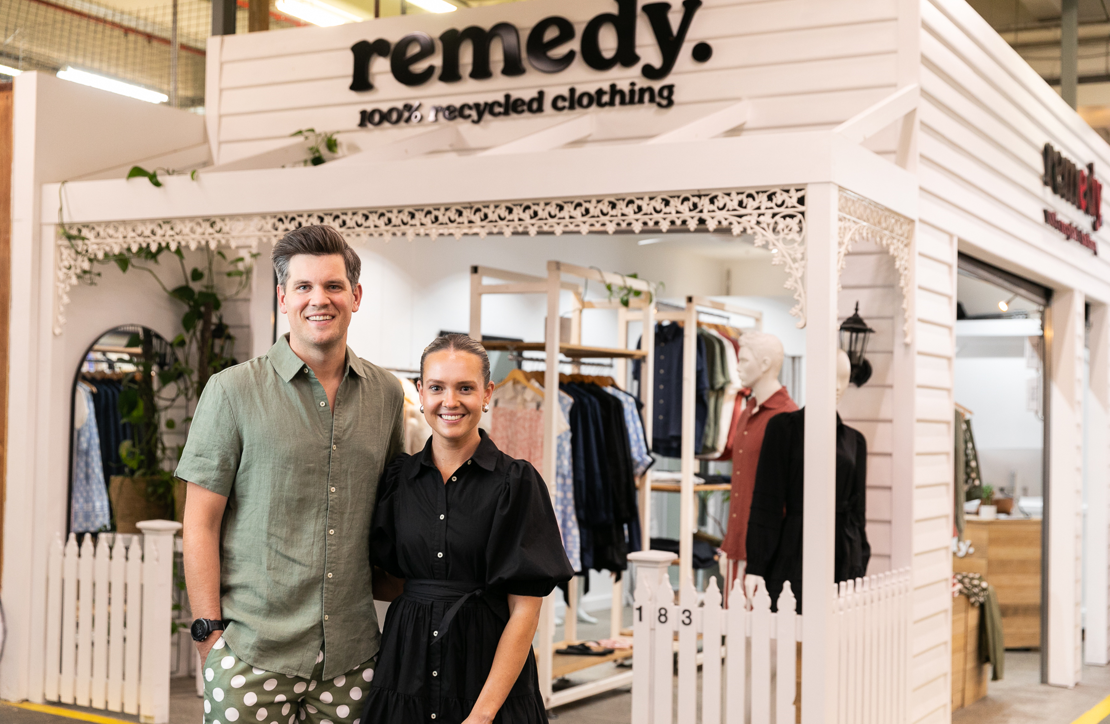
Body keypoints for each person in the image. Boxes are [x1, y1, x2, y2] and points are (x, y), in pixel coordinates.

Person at [179, 225, 404, 724]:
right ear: (283, 298)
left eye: (333, 285)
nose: (318, 299)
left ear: (356, 296)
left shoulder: (387, 395)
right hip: (249, 653)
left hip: (353, 657)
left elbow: (393, 512)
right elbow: (199, 522)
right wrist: (209, 637)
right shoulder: (231, 391)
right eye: (303, 286)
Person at [363, 334, 574, 724]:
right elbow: (387, 581)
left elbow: (525, 612)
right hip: (406, 671)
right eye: (437, 388)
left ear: (487, 393)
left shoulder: (516, 483)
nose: (450, 401)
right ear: (420, 393)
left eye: (465, 388)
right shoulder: (399, 480)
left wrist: (482, 715)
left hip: (485, 670)